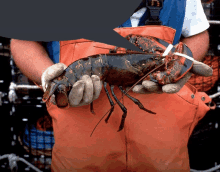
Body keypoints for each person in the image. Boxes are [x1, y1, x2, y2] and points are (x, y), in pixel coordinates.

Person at [10, 0, 214, 171]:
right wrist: (47, 75)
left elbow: (197, 33)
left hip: (165, 146)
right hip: (81, 144)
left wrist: (180, 67)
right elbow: (22, 41)